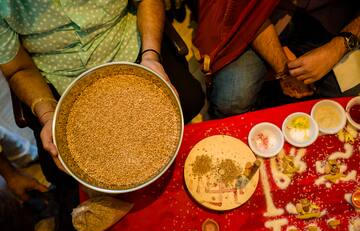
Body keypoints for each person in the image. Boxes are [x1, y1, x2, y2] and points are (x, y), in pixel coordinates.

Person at [0, 0, 204, 180]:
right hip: (61, 77)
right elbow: (18, 68)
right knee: (61, 166)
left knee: (189, 99)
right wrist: (48, 115)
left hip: (126, 48)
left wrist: (150, 56)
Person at [192, 0, 359, 118]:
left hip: (332, 23)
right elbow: (243, 11)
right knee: (232, 99)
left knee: (349, 101)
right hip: (259, 20)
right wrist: (283, 68)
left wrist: (338, 47)